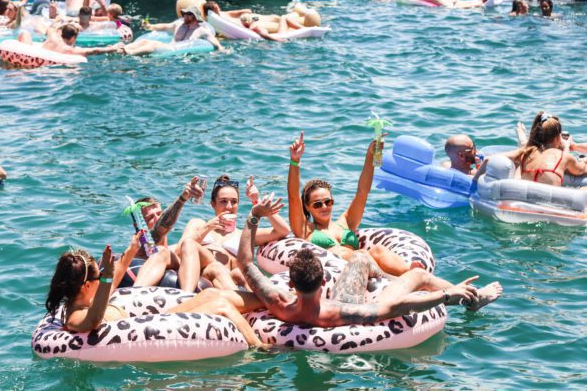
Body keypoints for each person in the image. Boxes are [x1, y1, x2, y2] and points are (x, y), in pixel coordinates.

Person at [237, 196, 503, 329]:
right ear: (322, 281)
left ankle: (379, 275)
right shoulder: (339, 312)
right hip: (351, 302)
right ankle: (473, 299)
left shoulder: (278, 302)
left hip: (317, 307)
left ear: (291, 282)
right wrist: (447, 295)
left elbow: (246, 263)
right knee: (418, 277)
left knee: (362, 258)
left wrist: (254, 216)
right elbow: (393, 306)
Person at [44, 238, 263, 346]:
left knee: (210, 295)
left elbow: (111, 284)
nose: (101, 281)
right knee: (221, 306)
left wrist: (129, 252)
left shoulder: (85, 300)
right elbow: (93, 320)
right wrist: (107, 276)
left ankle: (268, 304)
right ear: (85, 286)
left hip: (154, 320)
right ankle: (260, 349)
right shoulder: (75, 317)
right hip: (155, 330)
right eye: (97, 278)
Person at [287, 132, 412, 275]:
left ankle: (410, 272)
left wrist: (370, 154)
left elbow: (362, 192)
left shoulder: (346, 222)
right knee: (362, 255)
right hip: (341, 273)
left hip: (366, 266)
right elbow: (293, 197)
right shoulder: (305, 229)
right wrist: (295, 161)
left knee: (378, 250)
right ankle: (393, 277)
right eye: (317, 204)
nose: (324, 207)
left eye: (328, 202)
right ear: (307, 207)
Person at [120, 177, 237, 292]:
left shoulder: (171, 251)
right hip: (142, 274)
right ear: (138, 224)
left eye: (159, 214)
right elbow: (159, 231)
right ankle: (135, 293)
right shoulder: (141, 248)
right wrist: (183, 198)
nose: (157, 218)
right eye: (150, 217)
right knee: (161, 250)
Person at [179, 174, 290, 288]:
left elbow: (283, 231)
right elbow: (179, 251)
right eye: (223, 201)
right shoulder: (198, 224)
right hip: (203, 274)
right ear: (213, 204)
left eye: (234, 201)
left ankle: (263, 303)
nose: (229, 206)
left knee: (239, 273)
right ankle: (186, 295)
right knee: (204, 256)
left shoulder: (244, 234)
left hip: (229, 278)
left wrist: (257, 201)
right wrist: (208, 227)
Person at [477, 112, 587, 187]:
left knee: (523, 146)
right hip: (550, 208)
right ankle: (520, 132)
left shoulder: (526, 153)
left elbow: (487, 160)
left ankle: (520, 132)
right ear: (558, 137)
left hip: (524, 203)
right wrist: (569, 148)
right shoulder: (563, 157)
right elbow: (581, 169)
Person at [126, 4, 224, 55]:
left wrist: (221, 49)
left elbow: (215, 43)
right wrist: (149, 26)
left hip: (176, 52)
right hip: (169, 47)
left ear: (195, 17)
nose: (185, 16)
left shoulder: (201, 30)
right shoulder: (179, 24)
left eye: (189, 14)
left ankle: (129, 53)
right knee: (144, 41)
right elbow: (163, 27)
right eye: (185, 13)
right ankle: (123, 49)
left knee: (154, 45)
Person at [18, 22, 122, 57]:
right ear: (73, 38)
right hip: (45, 69)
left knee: (25, 33)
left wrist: (61, 23)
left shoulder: (53, 36)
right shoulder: (67, 50)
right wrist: (112, 48)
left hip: (31, 56)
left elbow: (51, 28)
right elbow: (93, 50)